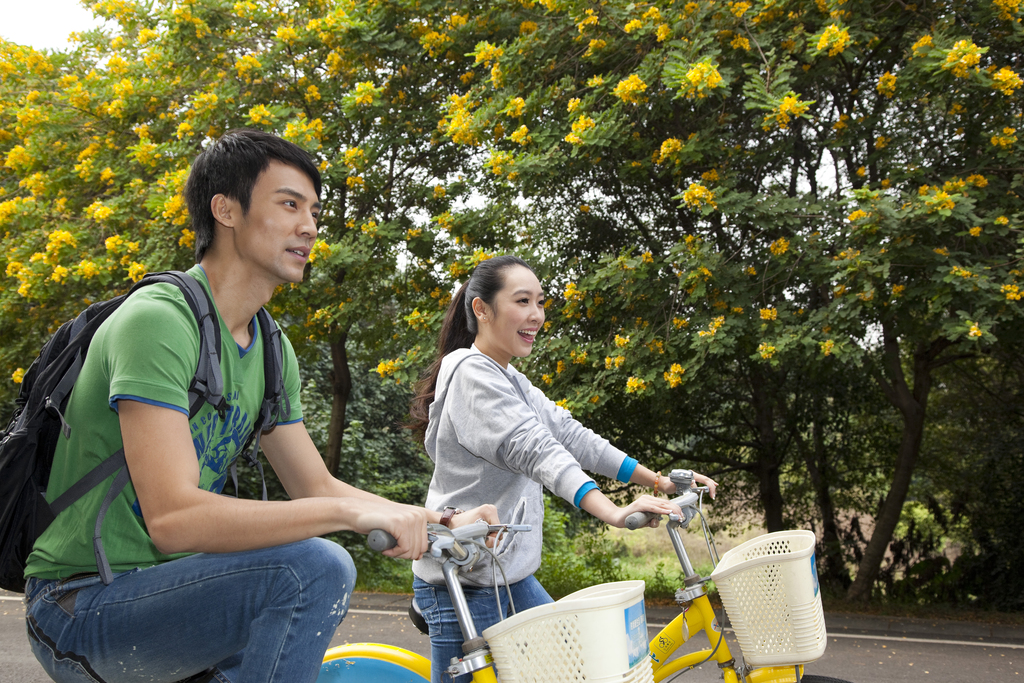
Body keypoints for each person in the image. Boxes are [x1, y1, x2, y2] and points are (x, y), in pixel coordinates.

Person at [23, 129, 496, 683]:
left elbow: (316, 487)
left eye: (314, 211)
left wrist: (434, 518)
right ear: (225, 209)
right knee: (311, 569)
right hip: (81, 606)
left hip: (179, 593)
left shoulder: (271, 349)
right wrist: (347, 518)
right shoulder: (159, 321)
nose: (310, 227)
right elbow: (173, 519)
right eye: (289, 204)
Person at [407, 254, 719, 683]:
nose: (536, 315)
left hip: (508, 577)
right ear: (481, 309)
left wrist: (658, 480)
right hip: (463, 579)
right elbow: (539, 451)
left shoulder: (509, 377)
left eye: (540, 302)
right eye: (522, 301)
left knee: (577, 673)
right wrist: (612, 512)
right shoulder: (471, 375)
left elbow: (571, 437)